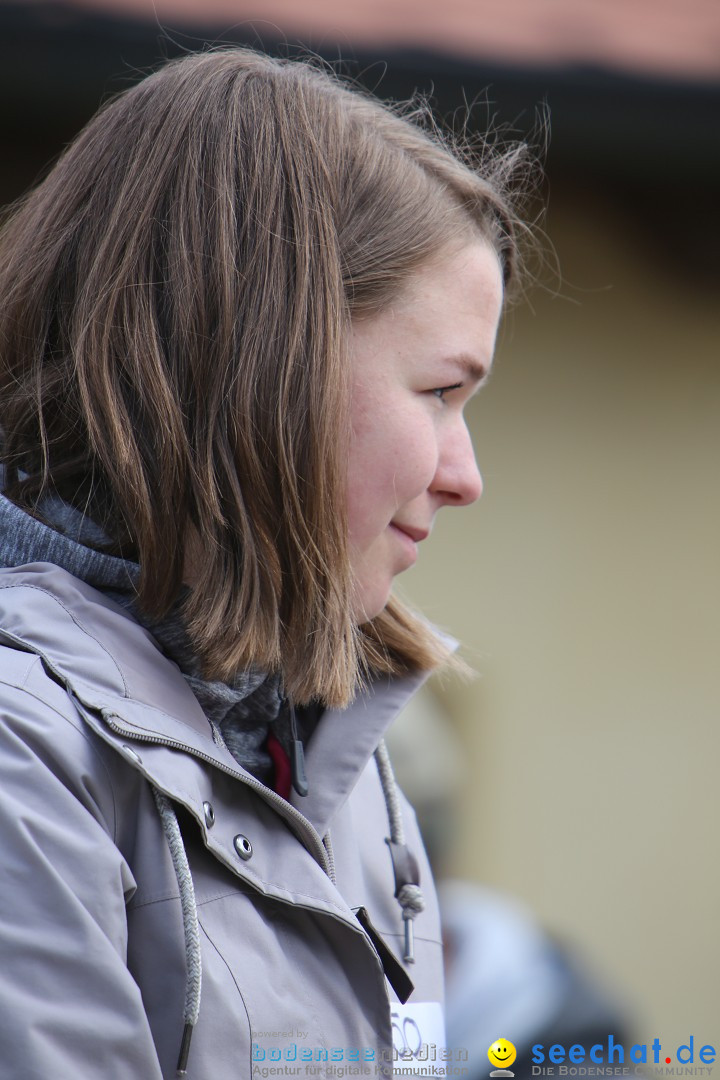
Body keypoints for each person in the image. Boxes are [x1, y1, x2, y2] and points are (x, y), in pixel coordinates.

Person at [0, 48, 526, 1079]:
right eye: (439, 394)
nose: (466, 476)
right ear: (264, 363)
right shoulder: (25, 751)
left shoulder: (346, 761)